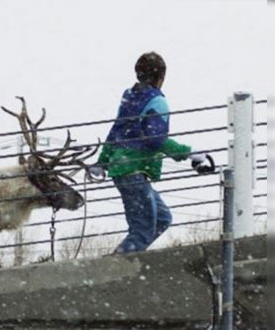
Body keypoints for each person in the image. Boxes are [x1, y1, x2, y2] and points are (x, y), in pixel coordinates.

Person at [90, 52, 210, 254]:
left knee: (163, 219)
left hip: (123, 170)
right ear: (161, 77)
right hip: (134, 171)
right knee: (143, 231)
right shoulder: (157, 102)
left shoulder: (130, 97)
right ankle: (116, 268)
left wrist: (102, 162)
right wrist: (189, 153)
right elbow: (156, 140)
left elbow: (116, 131)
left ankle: (124, 261)